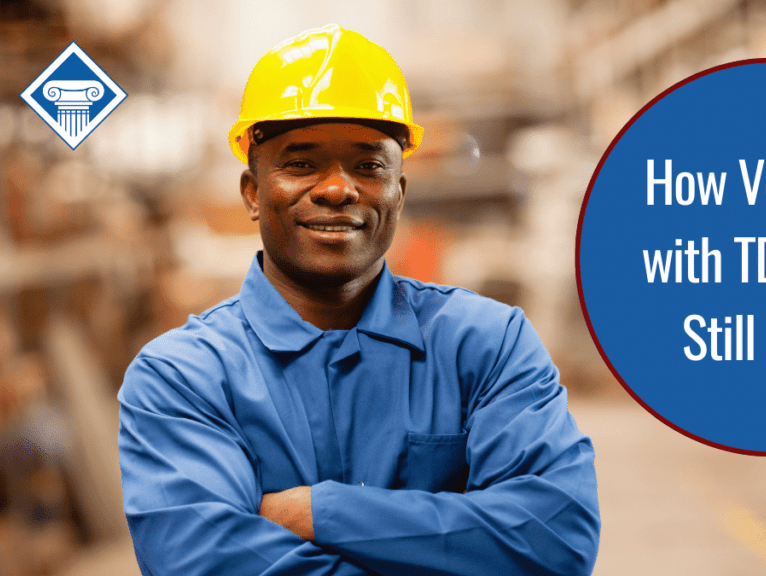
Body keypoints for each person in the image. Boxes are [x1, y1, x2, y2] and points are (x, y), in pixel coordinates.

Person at [117, 24, 600, 576]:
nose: (337, 188)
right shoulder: (182, 378)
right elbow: (201, 563)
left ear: (400, 190)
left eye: (369, 166)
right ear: (253, 192)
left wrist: (319, 512)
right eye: (301, 163)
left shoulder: (486, 346)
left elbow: (555, 538)